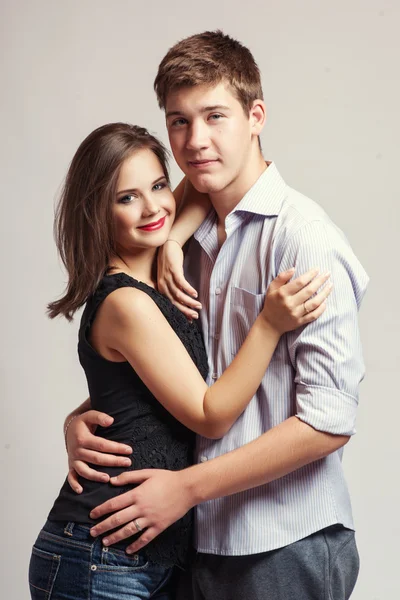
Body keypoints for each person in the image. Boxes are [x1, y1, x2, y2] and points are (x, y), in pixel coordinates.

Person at [66, 31, 369, 600]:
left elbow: (329, 420)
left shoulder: (304, 240)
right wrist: (86, 415)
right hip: (194, 543)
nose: (196, 140)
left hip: (283, 541)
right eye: (178, 121)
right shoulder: (181, 243)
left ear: (256, 115)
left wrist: (187, 488)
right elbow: (185, 370)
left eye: (215, 116)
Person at [28, 122, 329, 600]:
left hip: (149, 555)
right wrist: (269, 324)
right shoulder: (126, 303)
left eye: (158, 185)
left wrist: (172, 241)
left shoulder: (161, 275)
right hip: (101, 556)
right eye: (126, 198)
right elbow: (210, 416)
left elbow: (202, 183)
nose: (152, 208)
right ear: (96, 213)